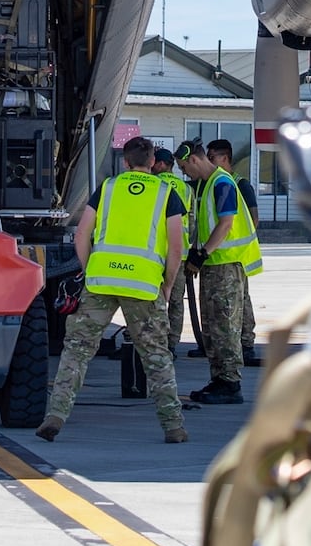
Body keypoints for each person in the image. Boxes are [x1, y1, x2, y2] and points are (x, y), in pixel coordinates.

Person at [38, 136, 188, 443]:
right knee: (156, 355)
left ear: (125, 162)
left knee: (77, 350)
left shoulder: (107, 188)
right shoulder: (166, 193)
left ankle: (56, 415)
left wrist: (88, 269)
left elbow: (82, 234)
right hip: (144, 285)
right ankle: (173, 425)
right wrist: (168, 285)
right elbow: (176, 247)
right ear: (153, 163)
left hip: (101, 280)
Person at [176, 138, 261, 404]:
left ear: (194, 159)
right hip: (213, 265)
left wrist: (202, 253)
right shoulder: (203, 186)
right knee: (212, 326)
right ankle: (219, 379)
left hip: (226, 264)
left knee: (225, 325)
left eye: (183, 167)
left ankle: (230, 383)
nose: (183, 172)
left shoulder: (222, 182)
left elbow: (226, 223)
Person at [207, 138, 264, 367]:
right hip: (225, 255)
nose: (209, 162)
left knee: (242, 302)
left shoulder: (239, 184)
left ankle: (246, 344)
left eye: (212, 158)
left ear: (225, 159)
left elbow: (253, 219)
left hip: (237, 256)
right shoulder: (215, 182)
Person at [150, 146, 195, 354]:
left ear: (160, 165)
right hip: (181, 254)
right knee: (176, 302)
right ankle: (171, 344)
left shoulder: (155, 184)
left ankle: (150, 341)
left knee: (150, 298)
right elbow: (192, 222)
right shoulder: (186, 189)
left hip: (156, 253)